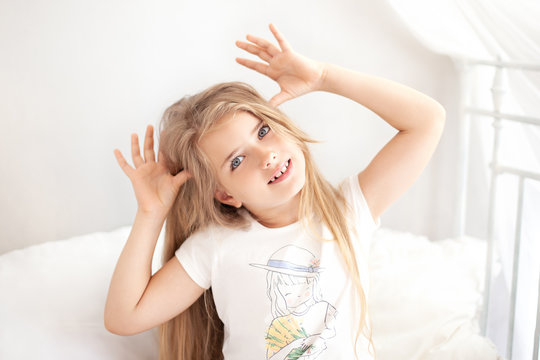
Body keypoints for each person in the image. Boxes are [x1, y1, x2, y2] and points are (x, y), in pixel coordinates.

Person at [104, 23, 446, 360]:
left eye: (263, 131)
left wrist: (325, 77)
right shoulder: (215, 246)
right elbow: (125, 317)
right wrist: (150, 214)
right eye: (237, 161)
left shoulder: (348, 211)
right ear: (225, 195)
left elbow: (428, 120)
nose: (265, 156)